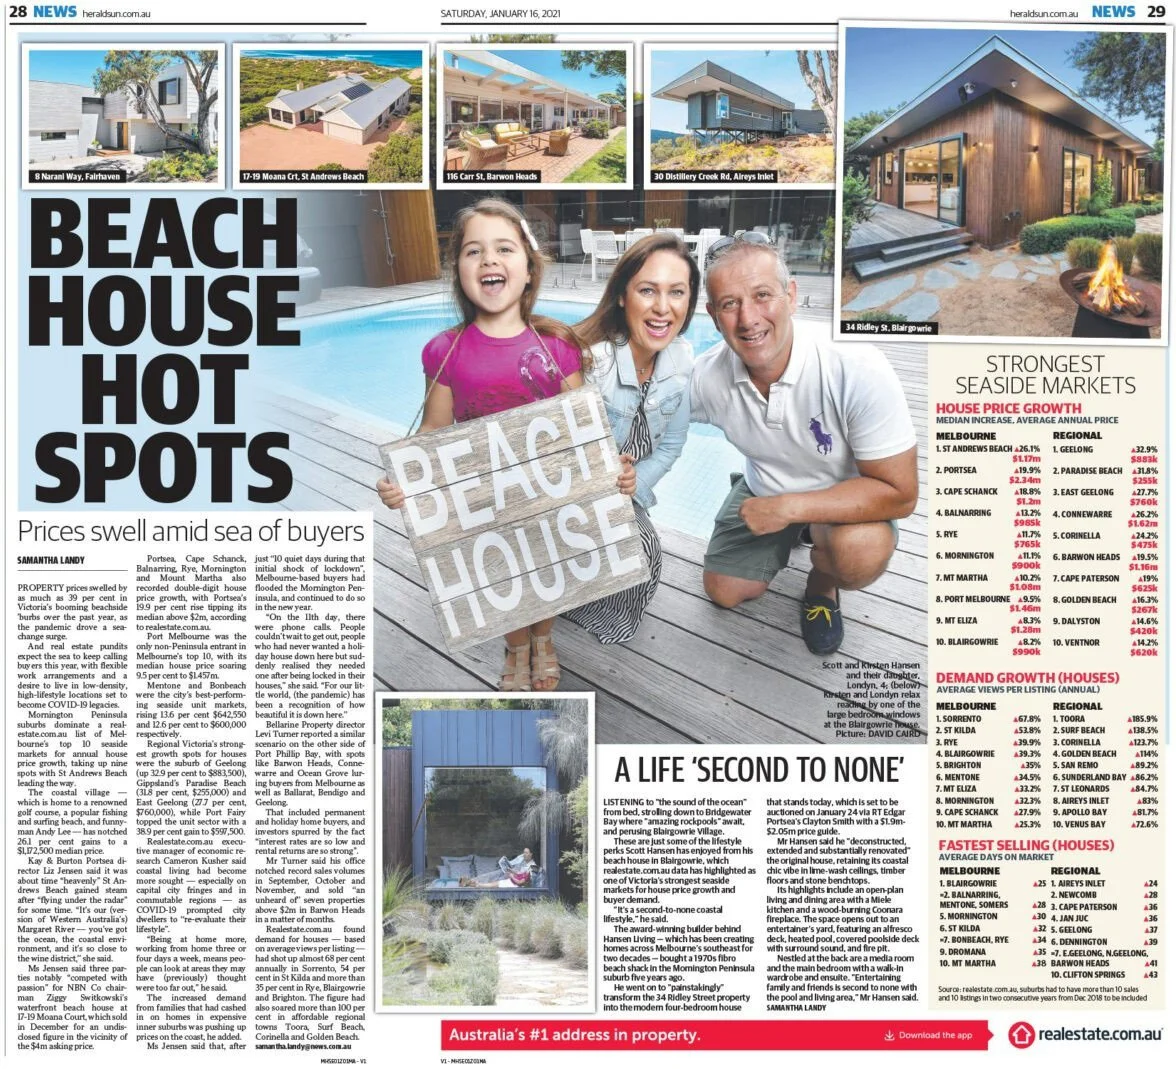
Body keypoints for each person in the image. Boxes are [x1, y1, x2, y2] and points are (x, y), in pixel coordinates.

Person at [375, 198, 613, 691]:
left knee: (547, 569)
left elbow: (582, 430)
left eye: (504, 248)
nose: (489, 259)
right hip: (485, 500)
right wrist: (407, 476)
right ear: (459, 271)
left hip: (547, 494)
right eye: (473, 251)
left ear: (529, 269)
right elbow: (434, 428)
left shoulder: (557, 346)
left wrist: (613, 470)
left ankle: (543, 638)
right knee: (504, 576)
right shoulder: (444, 351)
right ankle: (516, 645)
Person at [691, 234, 918, 655]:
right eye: (729, 304)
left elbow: (900, 494)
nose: (748, 319)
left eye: (762, 295)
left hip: (842, 498)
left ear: (791, 296)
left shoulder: (856, 367)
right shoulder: (705, 377)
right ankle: (779, 517)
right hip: (766, 488)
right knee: (723, 590)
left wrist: (791, 508)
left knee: (860, 554)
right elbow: (648, 416)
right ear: (713, 316)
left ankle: (821, 585)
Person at [563, 233, 699, 643]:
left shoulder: (681, 360)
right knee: (631, 548)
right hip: (570, 496)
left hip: (621, 492)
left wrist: (634, 486)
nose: (663, 308)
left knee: (642, 558)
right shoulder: (590, 364)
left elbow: (671, 445)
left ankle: (588, 607)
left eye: (677, 292)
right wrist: (601, 477)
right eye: (648, 290)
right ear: (623, 296)